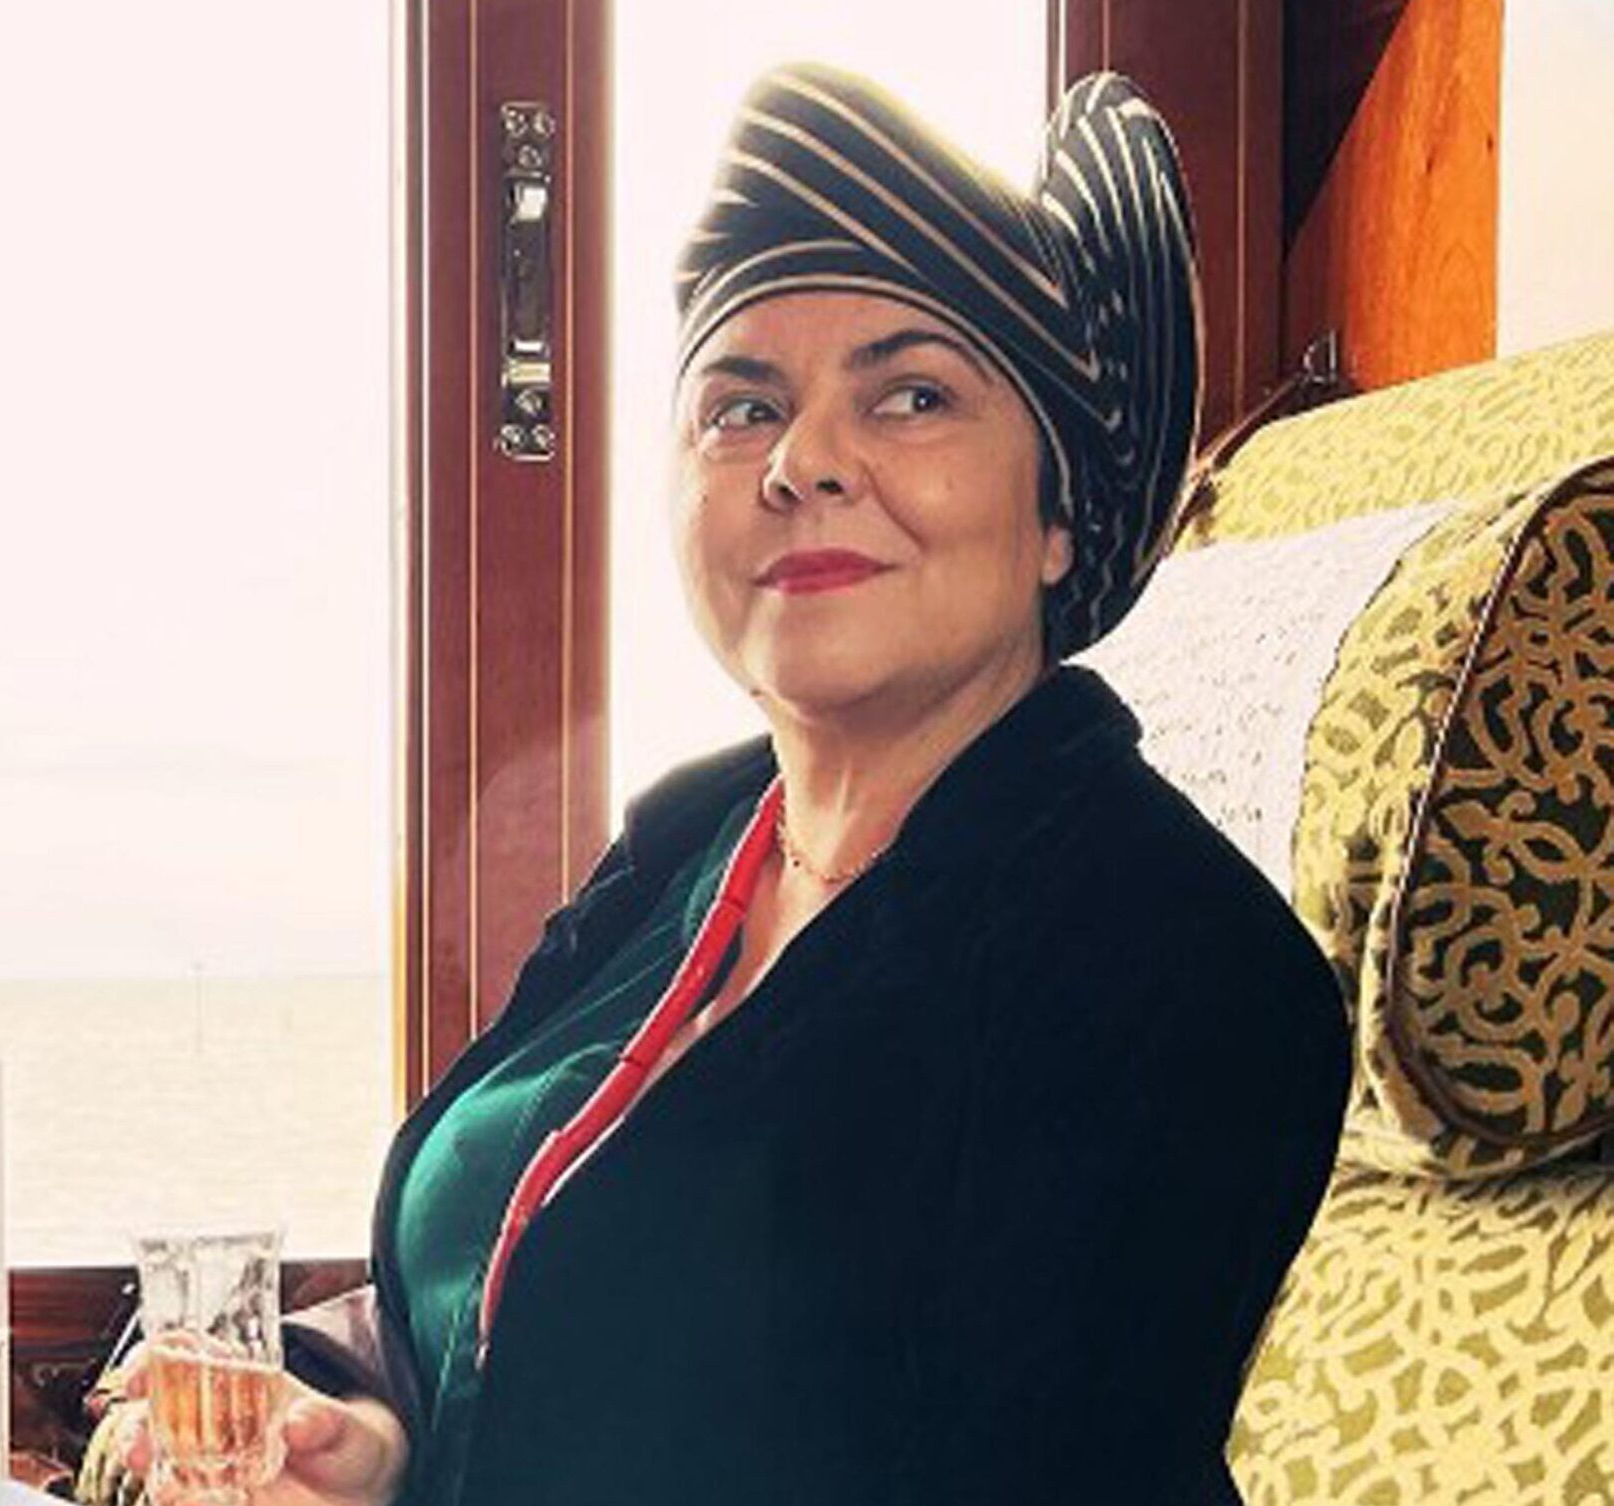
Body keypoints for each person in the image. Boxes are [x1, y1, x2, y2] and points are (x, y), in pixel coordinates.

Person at [115, 61, 1348, 1506]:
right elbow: (500, 1287)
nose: (804, 460)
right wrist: (367, 1443)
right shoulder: (691, 838)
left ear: (1057, 515)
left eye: (911, 396)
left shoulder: (1183, 970)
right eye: (742, 406)